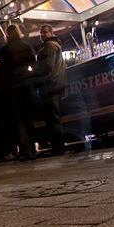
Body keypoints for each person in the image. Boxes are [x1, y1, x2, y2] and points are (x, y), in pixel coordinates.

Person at [0, 24, 37, 161]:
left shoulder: (4, 51)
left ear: (7, 35)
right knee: (29, 121)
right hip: (27, 88)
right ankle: (31, 149)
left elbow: (2, 73)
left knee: (18, 122)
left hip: (13, 91)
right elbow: (34, 66)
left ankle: (24, 151)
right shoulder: (26, 47)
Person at [33, 24, 67, 155]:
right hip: (56, 85)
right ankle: (59, 146)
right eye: (41, 33)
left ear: (51, 32)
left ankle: (57, 147)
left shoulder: (48, 46)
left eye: (45, 32)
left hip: (50, 86)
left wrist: (38, 79)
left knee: (53, 119)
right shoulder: (55, 45)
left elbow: (46, 67)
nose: (42, 35)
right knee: (55, 117)